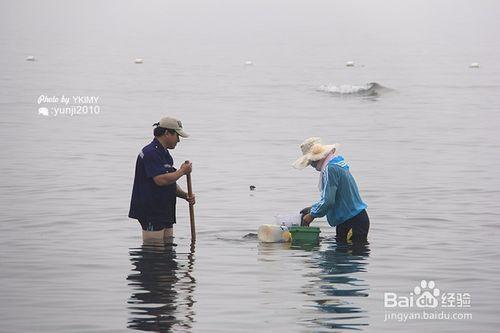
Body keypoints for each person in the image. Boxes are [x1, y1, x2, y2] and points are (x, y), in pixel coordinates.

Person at [129, 116, 196, 243]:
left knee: (168, 251)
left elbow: (170, 182)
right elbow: (160, 180)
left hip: (165, 210)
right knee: (154, 254)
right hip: (151, 210)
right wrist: (182, 171)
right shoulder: (150, 153)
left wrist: (185, 195)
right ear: (167, 133)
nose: (178, 140)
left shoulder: (165, 154)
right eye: (177, 136)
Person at [293, 137, 369, 243]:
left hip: (352, 222)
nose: (311, 165)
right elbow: (337, 196)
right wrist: (313, 208)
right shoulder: (336, 164)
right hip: (352, 219)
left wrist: (311, 215)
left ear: (317, 158)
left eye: (311, 162)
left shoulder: (330, 169)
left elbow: (328, 201)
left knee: (347, 256)